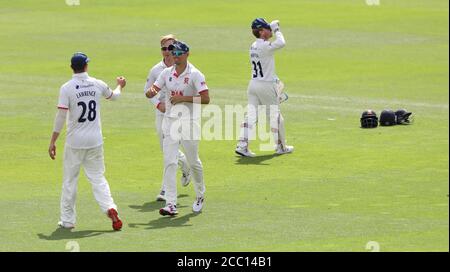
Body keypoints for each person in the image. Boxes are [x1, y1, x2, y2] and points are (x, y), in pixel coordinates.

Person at [48, 52, 126, 231]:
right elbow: (115, 96)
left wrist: (53, 141)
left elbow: (61, 116)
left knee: (70, 181)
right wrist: (120, 85)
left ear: (71, 68)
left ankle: (67, 220)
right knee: (98, 178)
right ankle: (110, 208)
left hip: (75, 142)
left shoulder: (67, 88)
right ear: (86, 66)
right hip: (95, 141)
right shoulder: (97, 84)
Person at [145, 41, 210, 216]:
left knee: (193, 161)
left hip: (189, 122)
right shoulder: (166, 73)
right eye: (174, 54)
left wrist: (184, 98)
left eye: (179, 54)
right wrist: (151, 92)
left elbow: (206, 99)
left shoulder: (195, 74)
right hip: (170, 122)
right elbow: (155, 88)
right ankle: (171, 203)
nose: (175, 56)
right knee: (170, 162)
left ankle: (200, 194)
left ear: (187, 54)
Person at [235, 18, 294, 157]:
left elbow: (265, 64)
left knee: (251, 115)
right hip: (265, 85)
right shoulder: (264, 46)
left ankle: (242, 145)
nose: (270, 30)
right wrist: (277, 29)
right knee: (275, 116)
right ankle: (281, 147)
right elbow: (282, 43)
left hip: (254, 85)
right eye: (267, 28)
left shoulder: (254, 45)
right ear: (261, 32)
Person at [144, 34, 191, 202]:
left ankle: (165, 189)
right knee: (166, 150)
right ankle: (185, 165)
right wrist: (158, 104)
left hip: (182, 113)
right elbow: (147, 90)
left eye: (170, 48)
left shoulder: (185, 67)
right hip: (163, 114)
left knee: (170, 151)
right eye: (164, 49)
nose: (167, 52)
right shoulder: (156, 70)